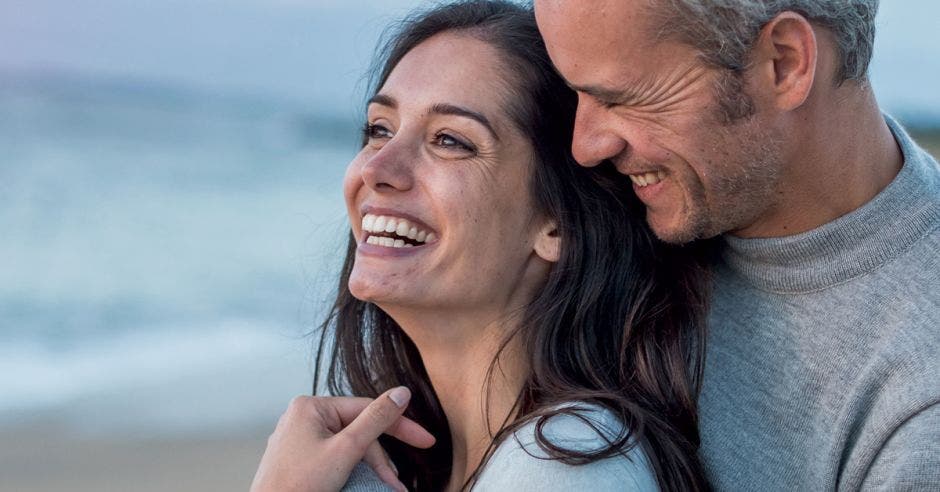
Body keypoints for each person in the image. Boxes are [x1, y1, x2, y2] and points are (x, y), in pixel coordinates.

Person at [251, 1, 713, 491]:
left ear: (558, 225)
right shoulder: (433, 467)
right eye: (379, 129)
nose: (375, 169)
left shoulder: (565, 464)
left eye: (450, 140)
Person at [533, 0, 940, 490]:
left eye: (622, 98)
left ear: (784, 64)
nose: (585, 147)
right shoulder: (600, 203)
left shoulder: (921, 399)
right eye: (571, 90)